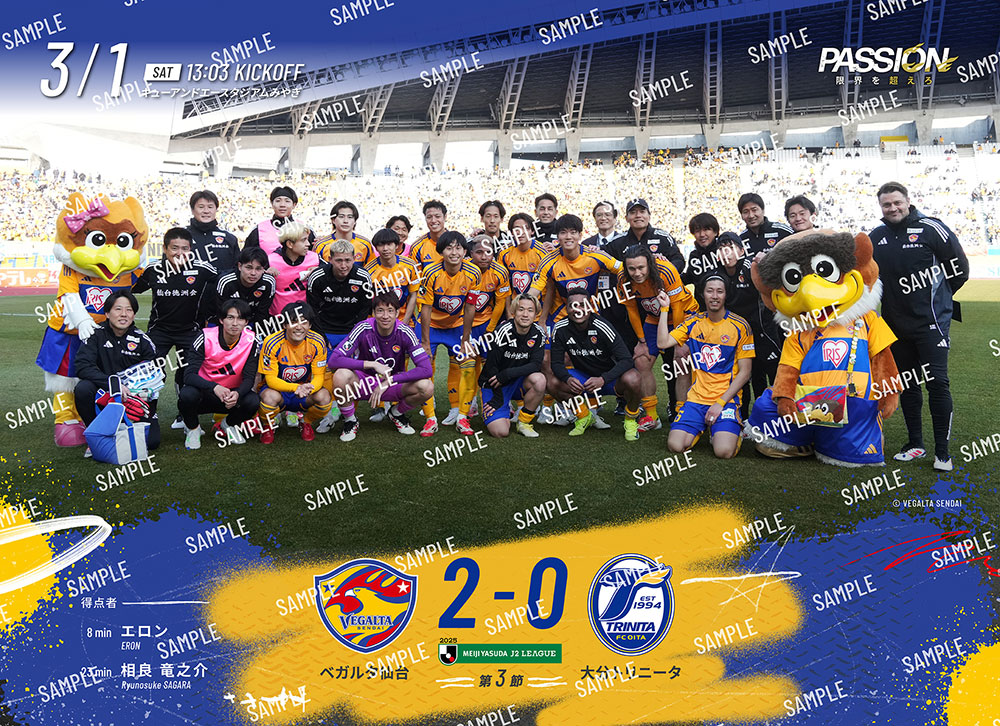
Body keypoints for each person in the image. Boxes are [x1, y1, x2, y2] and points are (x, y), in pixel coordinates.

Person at [869, 181, 969, 471]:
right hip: (895, 326)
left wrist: (938, 301)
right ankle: (915, 444)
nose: (892, 208)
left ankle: (942, 453)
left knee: (937, 383)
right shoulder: (877, 236)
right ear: (881, 207)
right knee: (908, 385)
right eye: (886, 204)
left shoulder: (931, 228)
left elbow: (960, 270)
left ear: (908, 201)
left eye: (897, 202)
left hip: (931, 323)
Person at [656, 274, 754, 459]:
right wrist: (664, 309)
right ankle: (706, 426)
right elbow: (662, 342)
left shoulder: (740, 326)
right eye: (710, 291)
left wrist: (720, 403)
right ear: (703, 294)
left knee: (723, 452)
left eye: (719, 291)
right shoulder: (694, 322)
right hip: (696, 399)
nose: (714, 296)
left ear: (726, 295)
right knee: (675, 446)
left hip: (725, 401)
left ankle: (730, 431)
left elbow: (745, 372)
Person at [132, 227, 217, 429]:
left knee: (187, 373)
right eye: (174, 248)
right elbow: (131, 288)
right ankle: (148, 414)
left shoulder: (202, 268)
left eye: (185, 248)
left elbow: (227, 279)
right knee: (152, 372)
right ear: (164, 249)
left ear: (191, 249)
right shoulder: (153, 270)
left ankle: (184, 415)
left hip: (190, 331)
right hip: (159, 330)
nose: (180, 253)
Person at [328, 291, 434, 441]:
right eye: (380, 310)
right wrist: (372, 364)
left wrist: (389, 381)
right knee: (340, 375)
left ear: (397, 313)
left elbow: (426, 369)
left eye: (390, 311)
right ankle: (350, 421)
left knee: (427, 387)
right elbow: (334, 360)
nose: (385, 316)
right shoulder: (363, 328)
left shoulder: (405, 332)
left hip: (392, 384)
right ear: (373, 313)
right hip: (364, 383)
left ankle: (396, 413)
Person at [619, 244, 697, 430]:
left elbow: (677, 307)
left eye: (641, 267)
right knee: (641, 360)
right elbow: (632, 310)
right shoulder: (623, 278)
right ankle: (652, 416)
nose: (637, 273)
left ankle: (681, 415)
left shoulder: (666, 270)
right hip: (655, 318)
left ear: (649, 263)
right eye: (632, 269)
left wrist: (679, 342)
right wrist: (641, 341)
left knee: (681, 361)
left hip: (683, 316)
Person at [74, 290, 160, 454]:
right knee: (83, 388)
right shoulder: (95, 335)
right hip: (103, 395)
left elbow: (156, 376)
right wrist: (113, 385)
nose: (124, 314)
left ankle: (124, 425)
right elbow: (82, 366)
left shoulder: (143, 340)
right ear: (107, 313)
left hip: (133, 398)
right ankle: (96, 435)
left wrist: (140, 395)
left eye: (129, 310)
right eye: (118, 309)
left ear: (134, 315)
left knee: (151, 442)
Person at [549, 292, 642, 440]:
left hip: (609, 379)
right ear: (566, 308)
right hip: (583, 380)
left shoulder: (602, 326)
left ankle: (631, 420)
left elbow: (626, 360)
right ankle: (584, 416)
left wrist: (603, 379)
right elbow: (556, 364)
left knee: (634, 378)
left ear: (590, 307)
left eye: (582, 305)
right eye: (573, 305)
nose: (578, 309)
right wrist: (567, 379)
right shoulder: (560, 328)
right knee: (552, 382)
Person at [306, 238, 374, 432]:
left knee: (348, 373)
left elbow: (365, 308)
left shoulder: (363, 277)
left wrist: (354, 336)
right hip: (325, 330)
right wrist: (321, 337)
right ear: (330, 259)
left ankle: (347, 413)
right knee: (325, 372)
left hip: (350, 331)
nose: (343, 265)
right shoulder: (317, 277)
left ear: (354, 259)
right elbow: (312, 310)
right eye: (339, 260)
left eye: (347, 260)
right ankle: (329, 413)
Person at [417, 231, 481, 436]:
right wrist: (425, 342)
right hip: (432, 326)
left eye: (458, 248)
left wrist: (466, 338)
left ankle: (462, 416)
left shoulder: (474, 273)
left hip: (457, 325)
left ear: (465, 251)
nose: (454, 253)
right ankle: (430, 418)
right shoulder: (430, 272)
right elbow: (425, 308)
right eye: (449, 248)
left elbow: (470, 307)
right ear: (441, 251)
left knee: (468, 363)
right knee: (424, 367)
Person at [178, 298, 261, 449]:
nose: (235, 323)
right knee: (186, 395)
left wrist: (237, 394)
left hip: (231, 396)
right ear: (221, 320)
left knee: (253, 401)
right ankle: (193, 428)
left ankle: (228, 424)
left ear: (246, 322)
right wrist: (214, 387)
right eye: (230, 317)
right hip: (206, 393)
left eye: (240, 318)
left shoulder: (252, 340)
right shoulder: (204, 337)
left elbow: (249, 378)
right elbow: (189, 376)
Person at [457, 235, 511, 435]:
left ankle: (493, 403)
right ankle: (465, 407)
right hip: (464, 324)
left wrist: (491, 329)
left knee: (491, 366)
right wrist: (465, 331)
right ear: (470, 253)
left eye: (488, 252)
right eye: (479, 252)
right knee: (468, 366)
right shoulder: (464, 269)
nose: (484, 256)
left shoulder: (500, 271)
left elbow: (500, 302)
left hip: (488, 324)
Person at [256, 302, 332, 443]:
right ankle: (267, 425)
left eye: (304, 322)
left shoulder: (317, 342)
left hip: (304, 393)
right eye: (293, 322)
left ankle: (306, 422)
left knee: (324, 397)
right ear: (285, 325)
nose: (298, 327)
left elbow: (319, 376)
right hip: (278, 392)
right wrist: (296, 387)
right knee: (269, 397)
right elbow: (270, 379)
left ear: (310, 325)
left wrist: (309, 388)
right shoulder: (271, 342)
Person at [478, 294, 547, 438]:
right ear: (514, 311)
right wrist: (497, 398)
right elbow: (491, 368)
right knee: (500, 432)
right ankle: (503, 410)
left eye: (530, 310)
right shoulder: (502, 331)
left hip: (517, 382)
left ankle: (524, 422)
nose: (525, 314)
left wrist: (508, 374)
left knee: (539, 380)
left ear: (536, 314)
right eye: (521, 309)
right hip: (495, 383)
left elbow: (535, 365)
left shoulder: (539, 333)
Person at [606, 198, 685, 273]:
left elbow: (679, 261)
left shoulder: (663, 238)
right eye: (633, 212)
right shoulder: (617, 241)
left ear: (649, 216)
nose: (638, 215)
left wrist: (665, 269)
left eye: (642, 211)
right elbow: (602, 256)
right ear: (626, 218)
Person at [365, 228, 421, 327]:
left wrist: (404, 322)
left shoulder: (410, 266)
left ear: (396, 245)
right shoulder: (368, 271)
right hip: (379, 323)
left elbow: (413, 295)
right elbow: (367, 303)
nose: (385, 248)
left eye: (389, 244)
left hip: (405, 320)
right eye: (381, 245)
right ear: (376, 248)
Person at [216, 247, 276, 333]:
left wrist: (252, 333)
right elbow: (221, 312)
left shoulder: (268, 282)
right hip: (228, 323)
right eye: (249, 268)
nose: (253, 273)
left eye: (258, 269)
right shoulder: (226, 282)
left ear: (264, 269)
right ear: (240, 266)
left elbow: (262, 313)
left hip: (254, 322)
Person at [267, 221, 320, 315]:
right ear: (290, 244)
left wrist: (319, 271)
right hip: (277, 318)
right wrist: (264, 273)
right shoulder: (271, 260)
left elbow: (332, 273)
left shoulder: (315, 258)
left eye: (307, 239)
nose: (308, 244)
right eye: (303, 240)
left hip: (305, 317)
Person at [244, 186, 315, 254]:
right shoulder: (259, 230)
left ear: (294, 205)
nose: (282, 205)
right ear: (272, 204)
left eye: (287, 201)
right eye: (278, 201)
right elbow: (246, 257)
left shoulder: (305, 229)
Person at [185, 190, 239, 273]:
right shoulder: (181, 236)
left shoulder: (229, 239)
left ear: (216, 209)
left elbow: (238, 269)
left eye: (210, 207)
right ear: (192, 210)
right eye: (201, 207)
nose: (206, 211)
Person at [499, 213, 545, 311]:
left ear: (532, 231)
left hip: (538, 310)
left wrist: (543, 317)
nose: (521, 232)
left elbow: (550, 288)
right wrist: (509, 314)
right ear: (511, 232)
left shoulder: (542, 253)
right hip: (515, 310)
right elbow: (504, 287)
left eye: (526, 228)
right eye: (516, 229)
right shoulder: (504, 254)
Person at [315, 200, 374, 266]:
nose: (345, 221)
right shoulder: (321, 245)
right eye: (341, 216)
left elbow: (371, 269)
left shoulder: (365, 244)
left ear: (355, 221)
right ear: (333, 220)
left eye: (350, 217)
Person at [410, 200, 449, 271]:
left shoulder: (458, 242)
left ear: (445, 216)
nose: (433, 220)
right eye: (429, 217)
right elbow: (416, 275)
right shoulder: (417, 247)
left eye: (437, 216)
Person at [682, 213, 721, 285]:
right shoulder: (694, 256)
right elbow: (688, 277)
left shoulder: (724, 252)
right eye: (697, 230)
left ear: (715, 232)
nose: (702, 234)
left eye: (706, 229)